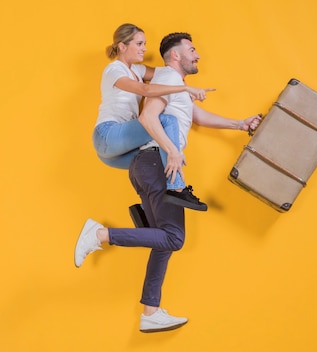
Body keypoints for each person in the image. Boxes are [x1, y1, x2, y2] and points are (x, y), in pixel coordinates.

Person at [75, 31, 262, 333]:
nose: (198, 54)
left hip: (145, 163)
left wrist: (241, 124)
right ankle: (101, 235)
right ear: (175, 55)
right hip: (156, 163)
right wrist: (173, 153)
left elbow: (198, 117)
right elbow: (150, 118)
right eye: (192, 49)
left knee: (164, 239)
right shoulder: (166, 80)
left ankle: (151, 311)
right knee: (174, 238)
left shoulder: (173, 84)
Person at [94, 23, 210, 211]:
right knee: (167, 122)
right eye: (139, 44)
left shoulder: (138, 71)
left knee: (152, 160)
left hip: (120, 150)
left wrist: (182, 90)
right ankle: (177, 188)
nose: (145, 49)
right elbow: (146, 89)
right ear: (123, 47)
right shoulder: (114, 70)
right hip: (107, 135)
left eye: (145, 44)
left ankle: (145, 213)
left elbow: (168, 73)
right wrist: (185, 88)